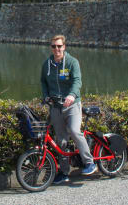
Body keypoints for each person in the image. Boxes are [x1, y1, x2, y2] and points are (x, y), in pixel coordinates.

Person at [40, 35, 96, 184]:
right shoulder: (47, 64)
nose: (56, 49)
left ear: (64, 47)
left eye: (59, 46)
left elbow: (77, 81)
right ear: (51, 48)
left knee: (73, 130)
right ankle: (64, 172)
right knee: (61, 140)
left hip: (72, 105)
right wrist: (46, 96)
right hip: (56, 107)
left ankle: (90, 162)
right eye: (54, 46)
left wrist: (71, 95)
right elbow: (43, 82)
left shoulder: (72, 62)